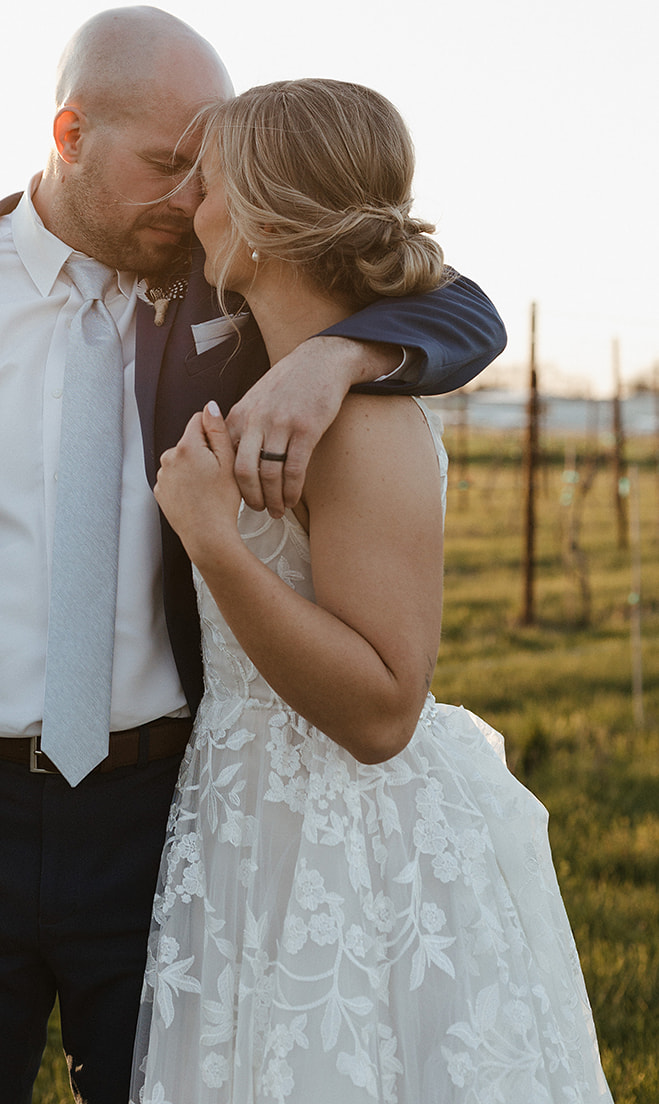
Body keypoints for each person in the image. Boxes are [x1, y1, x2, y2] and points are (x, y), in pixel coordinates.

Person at [0, 8, 506, 1104]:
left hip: (170, 814)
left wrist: (341, 356)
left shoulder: (227, 276)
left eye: (203, 171)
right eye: (166, 166)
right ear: (68, 134)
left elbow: (459, 306)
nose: (190, 198)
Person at [131, 78, 611, 1103]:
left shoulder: (363, 420)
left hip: (344, 842)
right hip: (245, 812)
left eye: (204, 183)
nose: (186, 206)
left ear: (258, 220)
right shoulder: (286, 373)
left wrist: (213, 539)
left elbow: (384, 707)